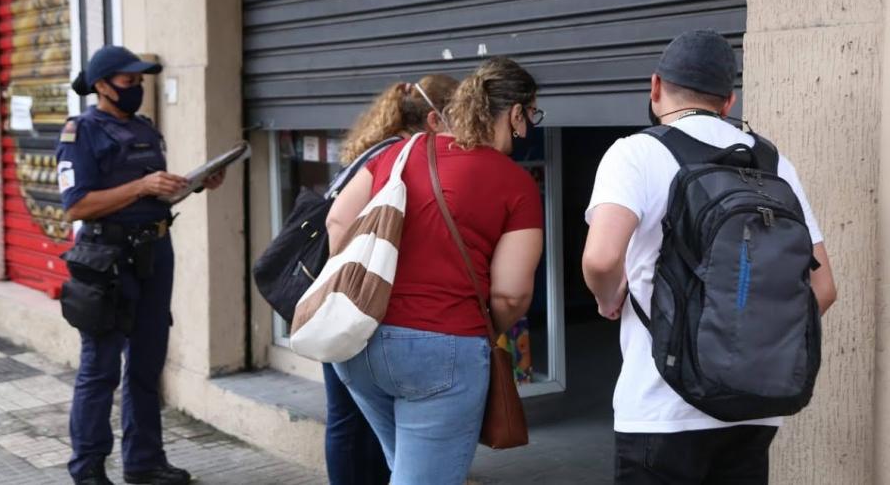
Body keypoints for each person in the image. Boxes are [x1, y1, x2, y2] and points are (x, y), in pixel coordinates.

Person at [582, 30, 837, 484]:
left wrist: (607, 299)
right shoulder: (772, 162)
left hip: (660, 409)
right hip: (752, 409)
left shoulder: (636, 153)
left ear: (655, 86)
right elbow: (823, 288)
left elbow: (602, 260)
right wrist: (747, 337)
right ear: (728, 101)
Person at [328, 57, 544, 485]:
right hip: (443, 351)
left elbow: (337, 221)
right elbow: (510, 296)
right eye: (531, 115)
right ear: (516, 114)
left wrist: (363, 293)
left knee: (406, 470)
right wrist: (482, 330)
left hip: (358, 344)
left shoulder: (397, 153)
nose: (529, 125)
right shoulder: (515, 183)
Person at [56, 46, 225, 485]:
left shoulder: (146, 131)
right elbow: (76, 207)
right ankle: (88, 469)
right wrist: (141, 185)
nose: (138, 88)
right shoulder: (81, 132)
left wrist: (192, 184)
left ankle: (144, 462)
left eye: (140, 81)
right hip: (107, 263)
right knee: (101, 369)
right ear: (101, 85)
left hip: (154, 255)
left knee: (147, 366)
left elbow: (154, 194)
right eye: (129, 81)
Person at [324, 74, 459, 485]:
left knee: (349, 418)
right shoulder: (398, 155)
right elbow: (338, 224)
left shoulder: (381, 148)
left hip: (343, 302)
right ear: (436, 119)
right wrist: (364, 286)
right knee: (349, 420)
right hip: (354, 302)